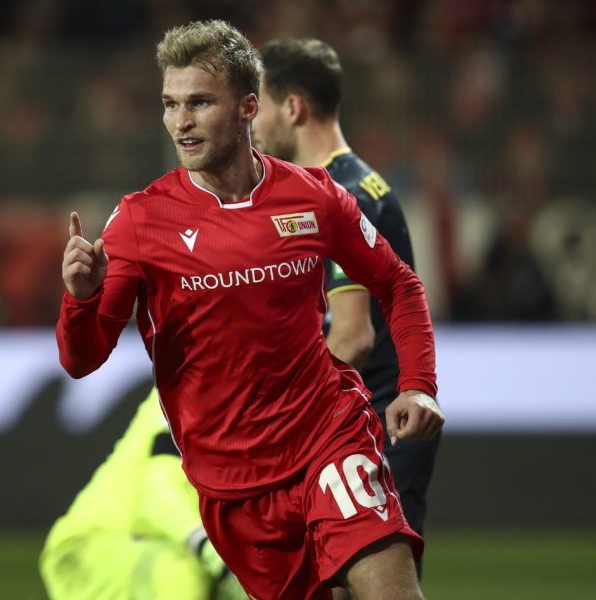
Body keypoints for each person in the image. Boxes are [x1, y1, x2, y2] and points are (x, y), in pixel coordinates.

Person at [58, 20, 443, 600]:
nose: (180, 122)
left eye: (199, 103)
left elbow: (398, 285)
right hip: (233, 488)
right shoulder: (140, 221)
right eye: (170, 104)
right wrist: (81, 299)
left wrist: (417, 384)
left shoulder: (315, 196)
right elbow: (82, 358)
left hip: (327, 441)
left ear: (246, 108)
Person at [251, 38, 441, 565]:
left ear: (293, 107)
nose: (252, 122)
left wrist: (277, 420)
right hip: (376, 423)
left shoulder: (341, 194)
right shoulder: (355, 183)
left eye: (259, 104)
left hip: (375, 426)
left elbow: (353, 336)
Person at [39, 389, 249, 600]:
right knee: (180, 575)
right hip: (87, 548)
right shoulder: (191, 382)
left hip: (176, 543)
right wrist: (218, 557)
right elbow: (159, 495)